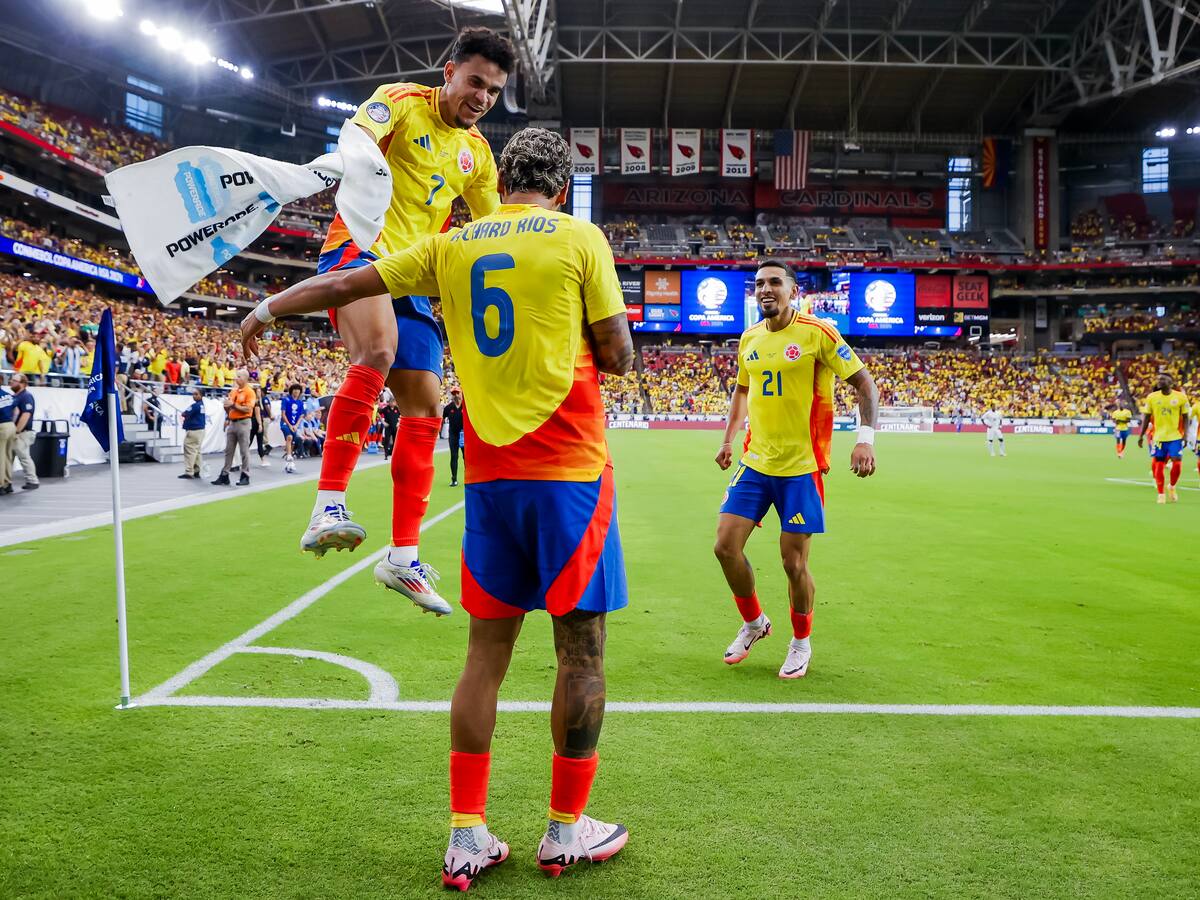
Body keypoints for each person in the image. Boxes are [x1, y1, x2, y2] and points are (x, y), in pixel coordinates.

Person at [242, 128, 634, 888]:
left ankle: (466, 836)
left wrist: (268, 306)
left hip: (488, 479)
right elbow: (617, 356)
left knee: (484, 659)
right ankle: (563, 829)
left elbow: (344, 285)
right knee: (579, 653)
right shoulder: (580, 238)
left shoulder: (450, 244)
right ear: (560, 188)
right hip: (570, 472)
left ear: (503, 175)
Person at [296, 26, 515, 619]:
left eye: (493, 91)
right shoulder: (398, 102)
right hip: (359, 252)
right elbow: (358, 135)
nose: (482, 98)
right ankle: (328, 505)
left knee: (427, 404)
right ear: (450, 72)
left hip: (415, 278)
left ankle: (402, 555)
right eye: (475, 82)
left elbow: (492, 228)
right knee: (377, 352)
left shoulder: (478, 155)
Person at [714, 259, 878, 679]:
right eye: (759, 284)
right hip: (755, 461)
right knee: (725, 547)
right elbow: (742, 390)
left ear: (792, 290)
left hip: (801, 467)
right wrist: (729, 439)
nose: (765, 289)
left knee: (793, 564)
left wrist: (865, 439)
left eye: (774, 282)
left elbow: (865, 384)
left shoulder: (817, 333)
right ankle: (754, 623)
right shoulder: (748, 338)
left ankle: (801, 642)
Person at [1137, 372, 1190, 503]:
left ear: (1171, 383)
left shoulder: (1181, 397)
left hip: (1175, 436)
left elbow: (1186, 417)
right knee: (1159, 463)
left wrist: (1186, 435)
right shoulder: (1151, 397)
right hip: (1158, 437)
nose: (1159, 381)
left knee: (1177, 461)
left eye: (1163, 379)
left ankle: (1172, 486)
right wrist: (1141, 435)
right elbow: (1147, 417)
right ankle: (1161, 493)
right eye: (1158, 379)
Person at [212, 369, 256, 487]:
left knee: (244, 450)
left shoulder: (250, 392)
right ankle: (225, 474)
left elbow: (248, 409)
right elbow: (229, 406)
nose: (237, 378)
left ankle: (245, 475)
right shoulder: (233, 391)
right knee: (229, 450)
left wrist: (233, 406)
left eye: (239, 376)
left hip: (244, 422)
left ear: (246, 378)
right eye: (236, 376)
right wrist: (227, 409)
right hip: (233, 422)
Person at [8, 373, 38, 490]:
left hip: (22, 432)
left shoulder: (26, 396)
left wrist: (17, 431)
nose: (11, 382)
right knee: (8, 458)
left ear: (23, 384)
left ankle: (32, 480)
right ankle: (6, 481)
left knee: (24, 457)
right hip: (17, 431)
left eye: (14, 380)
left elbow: (25, 415)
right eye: (11, 380)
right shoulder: (16, 396)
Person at [180, 388, 205, 479]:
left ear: (201, 395)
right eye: (193, 394)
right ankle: (196, 470)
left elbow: (184, 413)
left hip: (194, 430)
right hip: (200, 430)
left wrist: (184, 413)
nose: (194, 396)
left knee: (190, 451)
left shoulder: (195, 406)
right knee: (197, 451)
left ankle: (189, 471)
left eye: (196, 394)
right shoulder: (202, 405)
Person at [280, 384, 306, 472]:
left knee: (292, 442)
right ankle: (289, 456)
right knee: (289, 437)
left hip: (295, 425)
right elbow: (283, 414)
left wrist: (296, 425)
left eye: (298, 390)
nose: (296, 391)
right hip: (285, 423)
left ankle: (289, 463)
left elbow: (302, 415)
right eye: (294, 389)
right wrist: (290, 425)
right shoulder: (286, 400)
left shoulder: (300, 402)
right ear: (291, 391)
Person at [443, 386, 465, 486]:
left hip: (464, 435)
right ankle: (454, 479)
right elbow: (441, 419)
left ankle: (469, 478)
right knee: (454, 456)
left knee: (467, 457)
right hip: (453, 435)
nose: (456, 395)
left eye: (457, 393)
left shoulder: (466, 406)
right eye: (453, 393)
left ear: (461, 393)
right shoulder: (448, 408)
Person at [250, 385, 272, 468]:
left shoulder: (259, 401)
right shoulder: (256, 402)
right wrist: (260, 425)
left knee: (255, 441)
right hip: (256, 422)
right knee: (253, 441)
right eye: (258, 392)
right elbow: (257, 414)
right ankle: (263, 459)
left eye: (259, 391)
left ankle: (263, 459)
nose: (260, 393)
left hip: (256, 422)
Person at [0, 375, 15, 494]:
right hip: (11, 425)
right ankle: (8, 482)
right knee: (8, 455)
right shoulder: (8, 394)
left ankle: (1, 484)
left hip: (1, 427)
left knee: (1, 457)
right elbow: (15, 410)